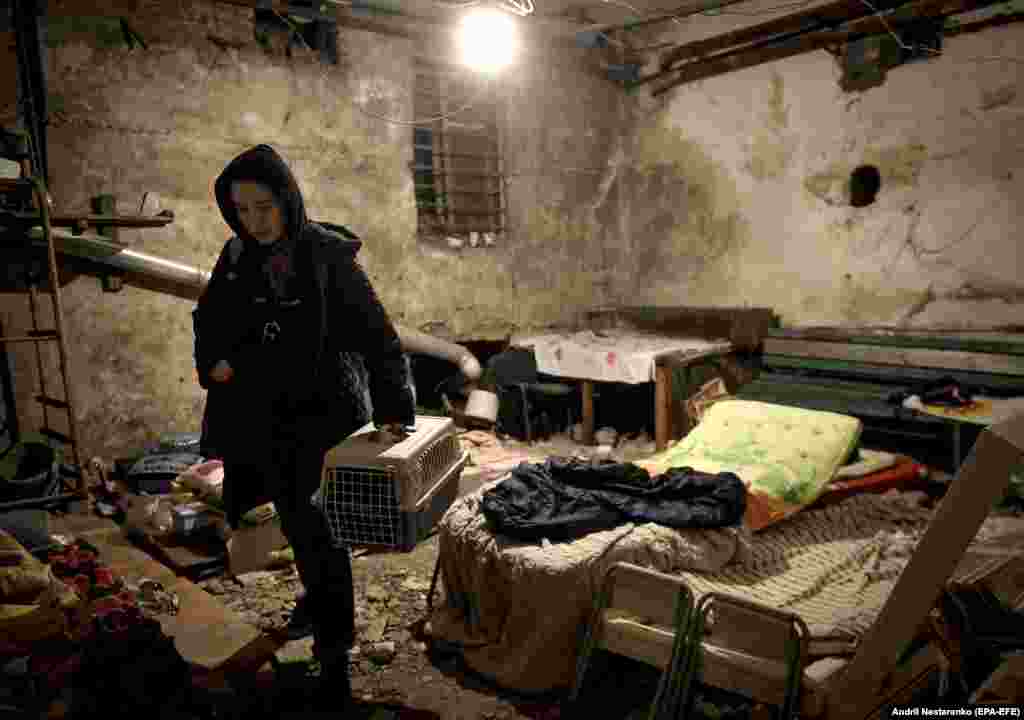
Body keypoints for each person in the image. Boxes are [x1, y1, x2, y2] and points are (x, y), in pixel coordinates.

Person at [192, 144, 415, 710]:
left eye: (264, 207)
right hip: (264, 413)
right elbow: (210, 316)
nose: (254, 221)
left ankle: (334, 653)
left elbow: (379, 337)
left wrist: (394, 413)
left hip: (324, 415)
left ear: (287, 199)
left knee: (323, 530)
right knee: (295, 517)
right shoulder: (237, 255)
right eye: (241, 210)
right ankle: (318, 601)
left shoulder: (327, 256)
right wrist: (213, 359)